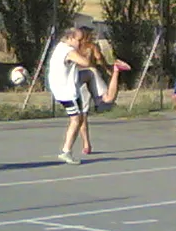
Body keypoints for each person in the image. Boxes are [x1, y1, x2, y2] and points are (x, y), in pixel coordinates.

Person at [47, 26, 130, 164]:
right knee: (76, 120)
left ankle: (114, 73)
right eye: (79, 40)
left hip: (69, 82)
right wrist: (89, 51)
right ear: (70, 38)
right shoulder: (68, 51)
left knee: (91, 75)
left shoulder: (61, 46)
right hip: (65, 91)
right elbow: (85, 62)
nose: (80, 44)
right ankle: (66, 151)